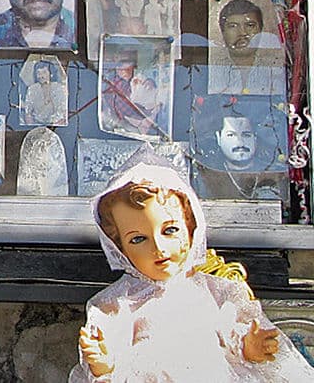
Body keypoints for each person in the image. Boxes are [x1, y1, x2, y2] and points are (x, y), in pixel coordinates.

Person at [70, 147, 313, 381]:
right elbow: (109, 363)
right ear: (119, 247)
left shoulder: (217, 292)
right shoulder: (116, 305)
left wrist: (249, 349)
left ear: (191, 229)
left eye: (170, 230)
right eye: (138, 239)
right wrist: (103, 365)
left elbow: (236, 338)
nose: (158, 247)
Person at [209, 0, 285, 96]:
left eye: (250, 25)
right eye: (233, 26)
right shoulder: (211, 70)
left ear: (261, 30)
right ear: (222, 31)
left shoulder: (275, 70)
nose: (243, 33)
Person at [101, 57, 160, 137]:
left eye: (129, 70)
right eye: (122, 70)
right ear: (117, 70)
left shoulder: (137, 80)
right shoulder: (114, 87)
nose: (125, 73)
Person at [23, 60, 65, 125]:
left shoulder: (58, 88)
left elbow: (63, 113)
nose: (41, 76)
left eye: (44, 72)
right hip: (36, 126)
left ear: (51, 74)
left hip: (56, 127)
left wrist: (54, 126)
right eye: (38, 73)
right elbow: (28, 113)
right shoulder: (32, 89)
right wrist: (32, 127)